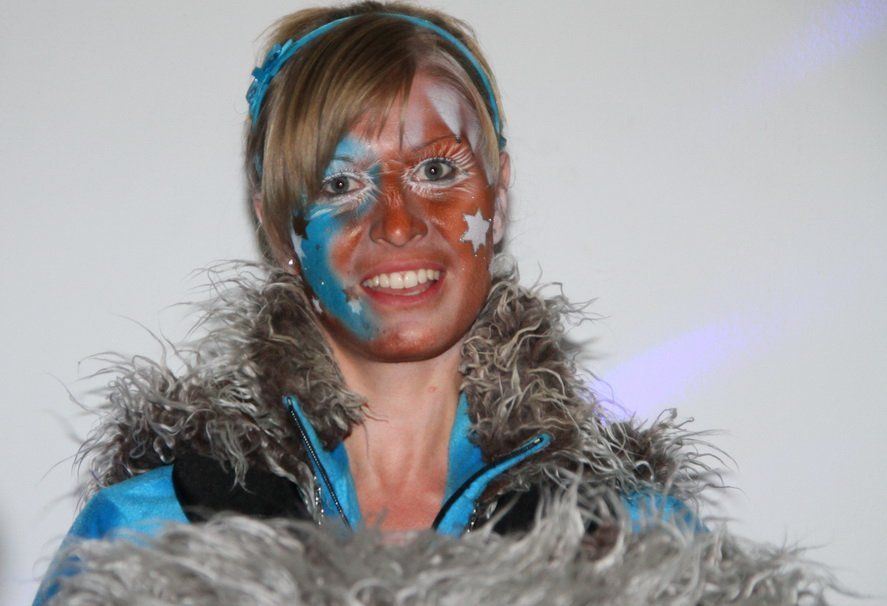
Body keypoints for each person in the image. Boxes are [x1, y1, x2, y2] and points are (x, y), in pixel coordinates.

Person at [35, 2, 830, 604]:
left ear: (499, 194)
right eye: (338, 183)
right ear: (280, 227)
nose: (396, 222)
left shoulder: (631, 547)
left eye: (438, 171)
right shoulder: (152, 533)